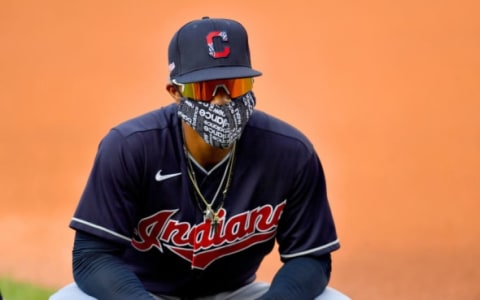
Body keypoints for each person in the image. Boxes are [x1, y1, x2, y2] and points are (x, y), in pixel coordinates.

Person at [50, 16, 349, 300]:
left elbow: (311, 258)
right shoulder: (130, 148)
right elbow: (91, 256)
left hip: (236, 294)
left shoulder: (290, 154)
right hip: (141, 291)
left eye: (234, 86)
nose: (222, 100)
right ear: (175, 92)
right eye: (205, 89)